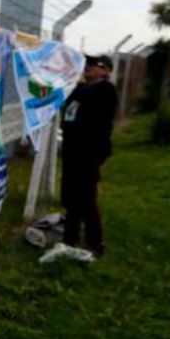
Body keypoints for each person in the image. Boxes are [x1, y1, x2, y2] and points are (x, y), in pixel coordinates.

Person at [60, 54, 118, 256]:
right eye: (87, 64)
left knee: (86, 198)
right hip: (72, 151)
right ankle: (69, 239)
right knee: (70, 196)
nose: (89, 67)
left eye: (95, 65)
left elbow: (95, 120)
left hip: (89, 153)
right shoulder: (80, 89)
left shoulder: (105, 90)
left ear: (106, 71)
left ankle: (96, 243)